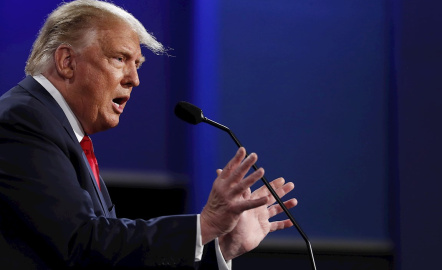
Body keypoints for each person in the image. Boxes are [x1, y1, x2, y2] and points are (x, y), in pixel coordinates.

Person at [0, 0, 297, 268]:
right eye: (120, 58)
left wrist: (220, 247)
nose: (135, 79)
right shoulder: (23, 120)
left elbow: (111, 258)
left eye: (137, 64)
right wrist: (204, 225)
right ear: (67, 62)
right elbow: (82, 243)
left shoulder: (57, 129)